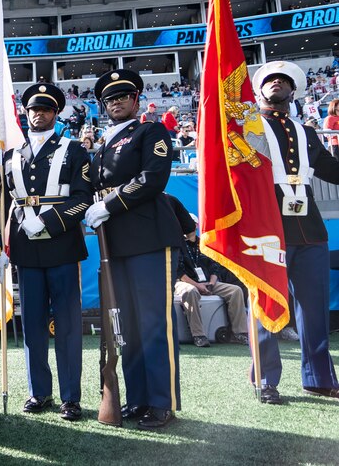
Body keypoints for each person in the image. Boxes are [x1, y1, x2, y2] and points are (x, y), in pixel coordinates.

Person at [84, 69, 183, 429]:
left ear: (137, 99)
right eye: (110, 98)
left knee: (155, 323)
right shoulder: (102, 145)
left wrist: (109, 204)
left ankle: (162, 402)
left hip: (149, 240)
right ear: (102, 105)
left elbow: (153, 178)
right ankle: (138, 398)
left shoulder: (149, 131)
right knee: (127, 328)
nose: (117, 101)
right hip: (116, 245)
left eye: (124, 95)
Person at [250, 61, 339, 403]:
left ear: (294, 91)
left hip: (310, 229)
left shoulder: (307, 132)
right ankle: (264, 380)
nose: (276, 83)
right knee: (266, 303)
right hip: (267, 227)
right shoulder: (250, 128)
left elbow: (332, 170)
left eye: (283, 80)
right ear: (260, 90)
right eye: (270, 79)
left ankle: (317, 378)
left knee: (315, 308)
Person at [4, 83, 91, 421]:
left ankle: (70, 397)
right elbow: (3, 200)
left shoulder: (73, 150)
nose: (37, 114)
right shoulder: (12, 154)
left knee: (67, 325)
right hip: (26, 248)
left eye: (45, 109)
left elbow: (83, 197)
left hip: (62, 244)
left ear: (56, 114)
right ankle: (38, 391)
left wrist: (50, 221)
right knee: (34, 326)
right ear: (25, 114)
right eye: (32, 110)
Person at [175, 214, 249, 348]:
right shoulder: (177, 245)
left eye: (190, 222)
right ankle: (198, 335)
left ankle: (239, 333)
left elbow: (215, 267)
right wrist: (197, 285)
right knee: (190, 292)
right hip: (185, 282)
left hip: (208, 282)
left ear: (196, 226)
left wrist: (211, 284)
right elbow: (179, 272)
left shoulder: (205, 245)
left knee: (235, 290)